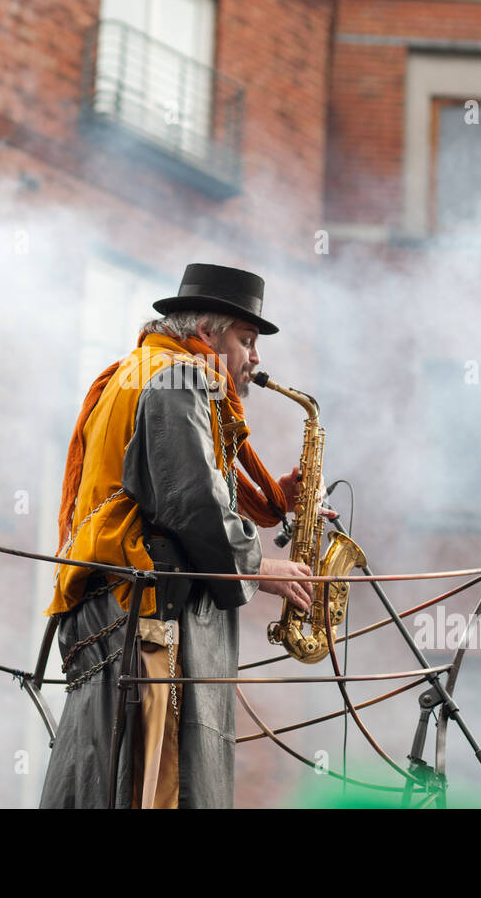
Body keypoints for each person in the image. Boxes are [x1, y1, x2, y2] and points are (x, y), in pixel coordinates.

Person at [39, 262, 315, 809]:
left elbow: (170, 485)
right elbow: (190, 499)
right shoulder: (182, 376)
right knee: (160, 786)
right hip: (147, 620)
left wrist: (274, 500)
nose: (255, 359)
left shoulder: (137, 371)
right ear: (208, 333)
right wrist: (259, 568)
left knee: (106, 782)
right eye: (246, 339)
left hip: (113, 613)